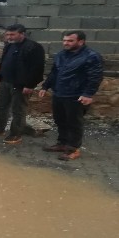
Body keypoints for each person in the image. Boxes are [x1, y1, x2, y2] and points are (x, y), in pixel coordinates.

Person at [38, 30, 103, 161]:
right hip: (59, 93)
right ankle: (62, 143)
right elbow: (54, 73)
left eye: (70, 41)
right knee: (60, 120)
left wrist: (88, 94)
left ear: (81, 41)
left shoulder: (91, 56)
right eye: (64, 40)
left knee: (74, 123)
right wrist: (45, 86)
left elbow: (95, 77)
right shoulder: (61, 55)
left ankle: (73, 149)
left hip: (76, 95)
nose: (66, 43)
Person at [0, 24, 45, 144]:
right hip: (6, 82)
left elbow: (37, 69)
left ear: (22, 34)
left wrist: (30, 85)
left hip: (21, 85)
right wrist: (1, 78)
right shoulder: (9, 45)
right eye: (7, 34)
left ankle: (16, 134)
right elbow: (5, 62)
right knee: (1, 106)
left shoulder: (33, 47)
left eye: (12, 34)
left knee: (18, 110)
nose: (9, 36)